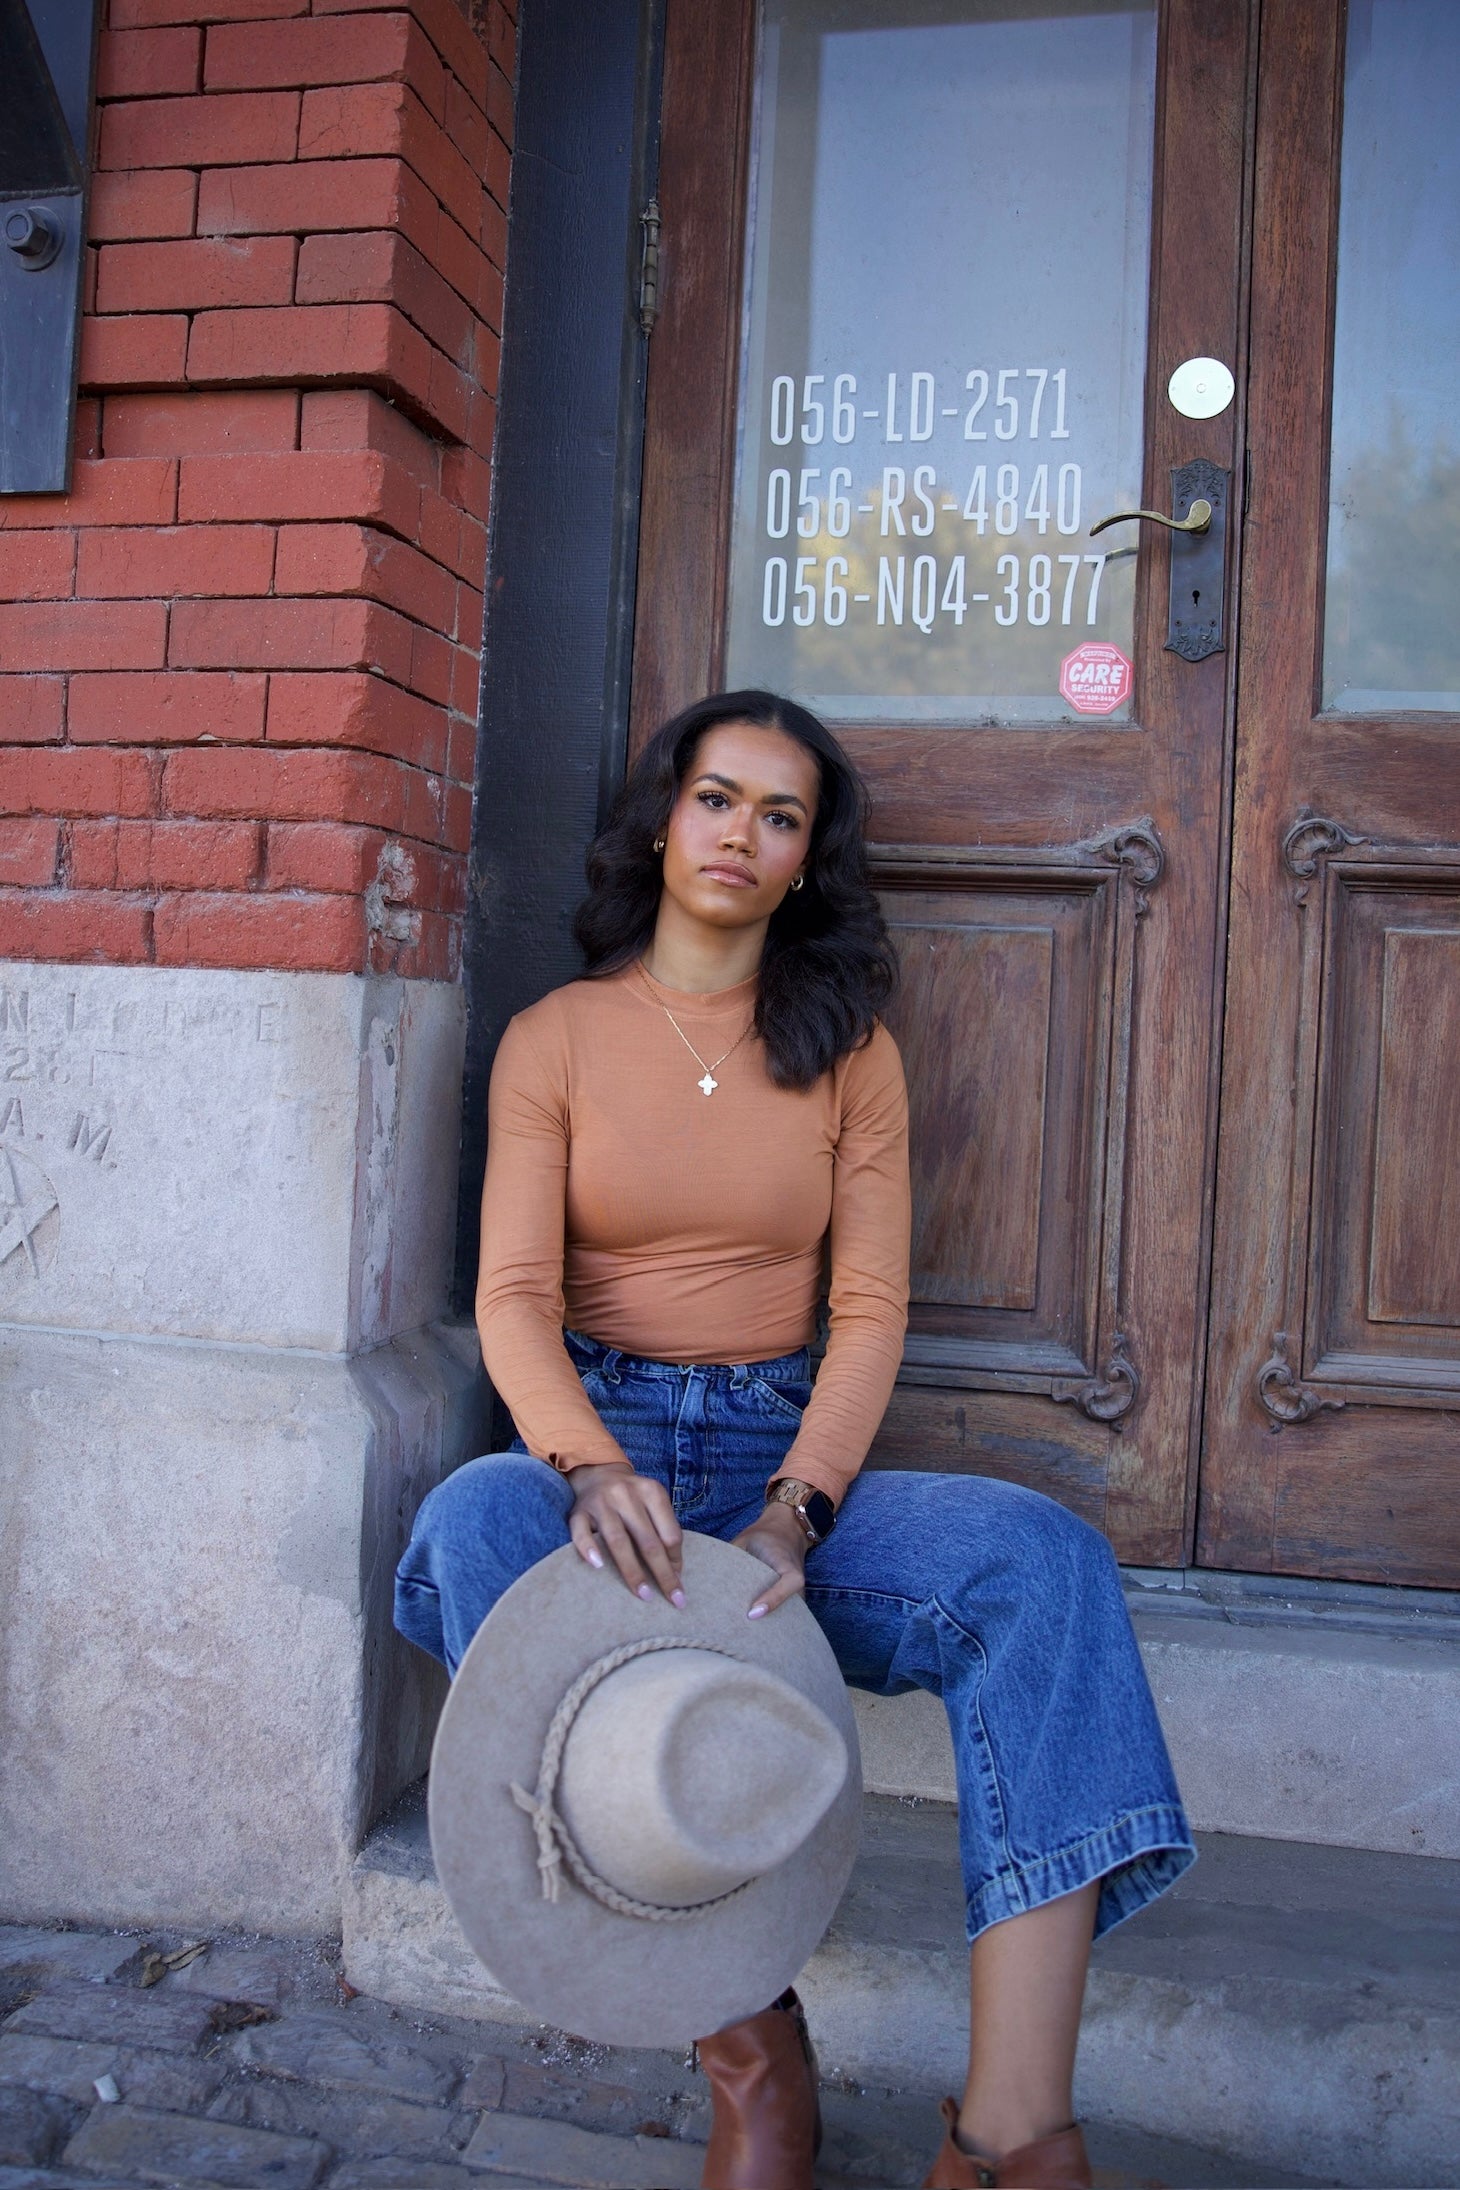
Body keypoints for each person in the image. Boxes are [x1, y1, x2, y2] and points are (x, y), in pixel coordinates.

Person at [395, 689, 1194, 2190]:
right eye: (718, 798)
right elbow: (511, 1297)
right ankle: (748, 2037)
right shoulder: (555, 1038)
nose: (742, 834)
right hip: (600, 1456)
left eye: (781, 815)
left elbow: (872, 1311)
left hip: (779, 1461)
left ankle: (1014, 2129)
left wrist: (798, 1509)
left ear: (807, 860)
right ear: (662, 818)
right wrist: (584, 1460)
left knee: (1043, 1565)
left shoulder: (850, 1053)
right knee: (465, 1533)